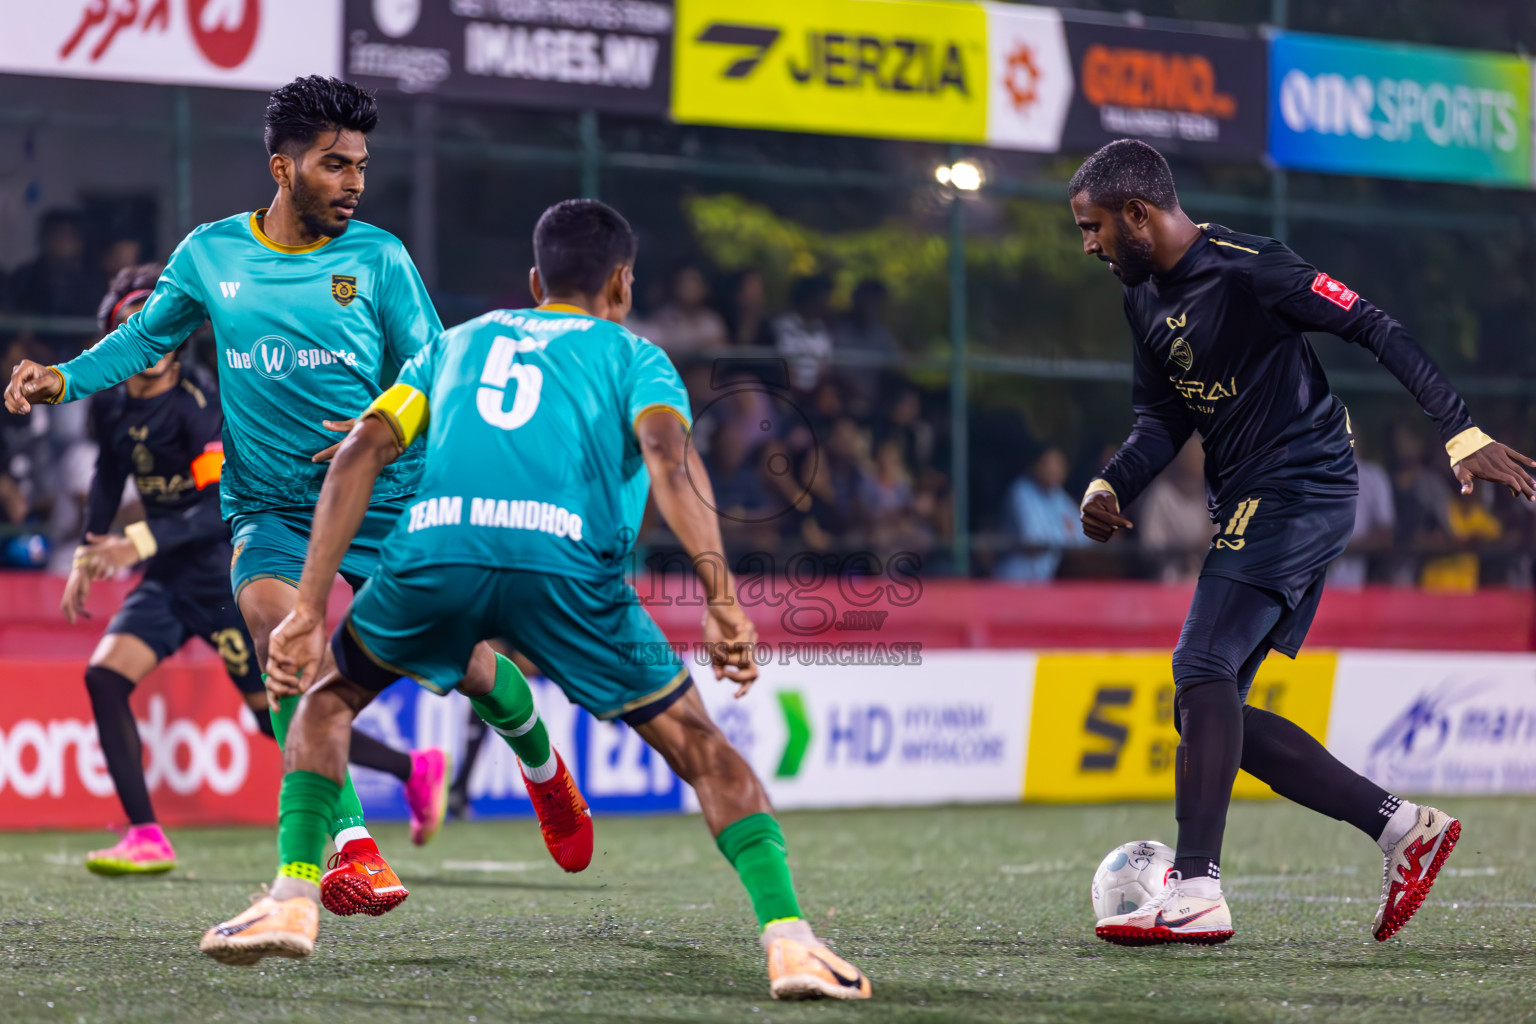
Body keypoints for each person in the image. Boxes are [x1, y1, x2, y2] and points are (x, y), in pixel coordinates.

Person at [198, 199, 872, 1002]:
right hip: (568, 572)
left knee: (321, 704)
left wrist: (310, 607)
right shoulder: (635, 355)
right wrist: (721, 599)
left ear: (532, 280)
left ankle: (294, 898)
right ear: (622, 283)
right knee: (702, 749)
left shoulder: (458, 343)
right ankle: (790, 944)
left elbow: (359, 453)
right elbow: (667, 457)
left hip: (437, 552)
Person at [4, 76, 588, 917]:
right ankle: (352, 847)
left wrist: (379, 420)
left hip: (386, 502)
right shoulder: (212, 255)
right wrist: (59, 378)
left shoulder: (380, 259)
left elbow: (437, 374)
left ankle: (541, 767)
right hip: (270, 510)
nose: (354, 181)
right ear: (282, 167)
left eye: (360, 165)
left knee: (468, 667)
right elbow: (140, 340)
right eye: (333, 164)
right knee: (283, 641)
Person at [1069, 139, 1535, 946]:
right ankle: (1401, 829)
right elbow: (1163, 418)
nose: (1088, 244)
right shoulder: (1142, 297)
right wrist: (1112, 483)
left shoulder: (1254, 267)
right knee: (1212, 712)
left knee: (1199, 667)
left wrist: (1459, 429)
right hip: (1251, 495)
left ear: (1138, 214)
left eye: (1094, 227)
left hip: (1304, 486)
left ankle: (1197, 888)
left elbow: (1374, 326)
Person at [65, 263, 446, 875]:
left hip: (219, 575)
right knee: (105, 679)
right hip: (165, 578)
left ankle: (407, 772)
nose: (147, 336)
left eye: (153, 323)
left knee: (279, 714)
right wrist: (92, 541)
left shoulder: (199, 409)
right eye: (130, 325)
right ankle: (145, 834)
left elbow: (214, 512)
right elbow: (110, 471)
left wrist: (133, 541)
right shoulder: (110, 407)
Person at [997, 445, 1090, 582]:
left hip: (1045, 580)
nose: (1054, 469)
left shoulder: (1059, 495)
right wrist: (1065, 533)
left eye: (1059, 463)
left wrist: (1062, 536)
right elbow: (1034, 537)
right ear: (1035, 465)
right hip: (1016, 580)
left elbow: (1085, 536)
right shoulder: (1021, 490)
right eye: (1049, 463)